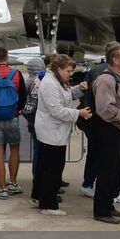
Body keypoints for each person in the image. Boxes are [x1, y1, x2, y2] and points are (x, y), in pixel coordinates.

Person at [32, 54, 88, 215]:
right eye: (68, 71)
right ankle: (48, 205)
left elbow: (66, 94)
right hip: (51, 131)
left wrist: (79, 90)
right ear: (58, 69)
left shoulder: (55, 81)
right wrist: (79, 113)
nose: (70, 74)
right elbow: (57, 110)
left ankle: (38, 196)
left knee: (45, 166)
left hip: (51, 131)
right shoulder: (50, 83)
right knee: (53, 169)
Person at [89, 44, 120, 224]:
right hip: (111, 131)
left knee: (115, 170)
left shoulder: (118, 77)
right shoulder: (106, 80)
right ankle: (101, 210)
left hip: (119, 130)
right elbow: (104, 109)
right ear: (115, 60)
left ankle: (108, 205)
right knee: (107, 171)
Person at [0, 47, 27, 199]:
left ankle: (2, 189)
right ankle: (13, 183)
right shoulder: (16, 74)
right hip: (12, 117)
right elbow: (22, 97)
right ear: (7, 58)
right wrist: (17, 110)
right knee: (14, 149)